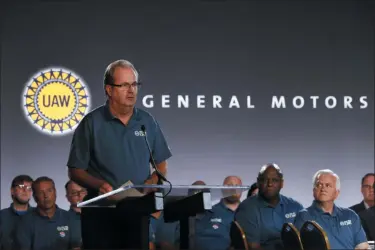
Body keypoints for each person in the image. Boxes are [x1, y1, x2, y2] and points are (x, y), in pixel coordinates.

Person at [67, 59, 172, 198]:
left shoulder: (147, 121)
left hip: (140, 208)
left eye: (134, 84)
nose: (131, 90)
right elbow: (75, 171)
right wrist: (99, 185)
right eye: (124, 85)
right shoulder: (91, 123)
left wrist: (151, 182)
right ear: (109, 89)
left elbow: (161, 165)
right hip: (103, 208)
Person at [294, 169, 369, 250]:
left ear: (337, 193)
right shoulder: (303, 217)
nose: (323, 189)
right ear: (313, 190)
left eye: (328, 185)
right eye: (319, 184)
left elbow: (363, 246)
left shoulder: (350, 215)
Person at [234, 163, 304, 250]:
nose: (270, 184)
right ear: (258, 182)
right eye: (264, 180)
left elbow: (304, 241)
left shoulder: (295, 206)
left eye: (274, 180)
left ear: (282, 183)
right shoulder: (246, 208)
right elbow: (253, 247)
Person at [14, 176, 81, 250]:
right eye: (41, 192)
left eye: (49, 191)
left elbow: (76, 247)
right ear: (35, 197)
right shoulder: (24, 222)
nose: (46, 196)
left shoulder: (71, 219)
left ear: (55, 193)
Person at [194, 176, 242, 250]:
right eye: (229, 185)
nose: (233, 189)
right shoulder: (209, 212)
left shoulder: (248, 212)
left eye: (237, 186)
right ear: (222, 189)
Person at [0, 175, 34, 250]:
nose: (25, 190)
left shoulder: (39, 215)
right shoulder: (2, 216)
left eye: (29, 188)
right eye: (21, 186)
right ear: (12, 191)